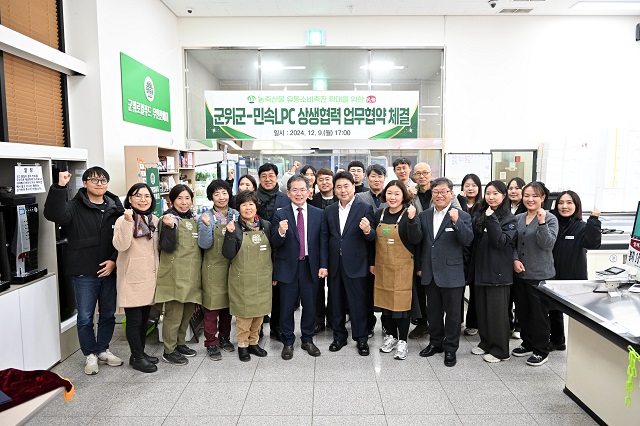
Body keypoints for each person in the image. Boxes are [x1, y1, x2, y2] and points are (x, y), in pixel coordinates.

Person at [44, 167, 125, 375]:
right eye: (94, 180)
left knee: (108, 313)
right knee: (86, 317)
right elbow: (54, 214)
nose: (100, 183)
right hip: (84, 271)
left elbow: (122, 239)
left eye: (103, 180)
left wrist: (114, 261)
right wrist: (59, 187)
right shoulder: (73, 206)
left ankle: (103, 349)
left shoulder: (115, 206)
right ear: (85, 183)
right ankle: (90, 354)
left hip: (109, 270)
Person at [416, 177, 473, 367]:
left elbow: (467, 241)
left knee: (453, 314)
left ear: (451, 194)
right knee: (433, 312)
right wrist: (419, 267)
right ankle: (435, 343)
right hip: (430, 272)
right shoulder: (424, 215)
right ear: (432, 194)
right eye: (436, 192)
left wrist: (457, 222)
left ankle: (450, 348)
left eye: (444, 192)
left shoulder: (462, 215)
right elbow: (421, 244)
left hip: (452, 273)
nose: (439, 195)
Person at [320, 171, 376, 356]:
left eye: (346, 186)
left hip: (357, 264)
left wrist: (368, 231)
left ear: (354, 187)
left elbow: (372, 238)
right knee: (335, 303)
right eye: (339, 187)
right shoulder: (329, 210)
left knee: (358, 304)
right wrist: (324, 264)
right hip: (335, 265)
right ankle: (339, 337)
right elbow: (325, 239)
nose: (343, 190)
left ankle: (361, 339)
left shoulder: (365, 207)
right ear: (334, 190)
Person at [270, 175, 323, 360]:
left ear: (309, 192)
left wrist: (323, 265)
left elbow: (322, 242)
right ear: (288, 192)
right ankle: (288, 341)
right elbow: (274, 243)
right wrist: (280, 232)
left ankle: (307, 339)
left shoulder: (318, 213)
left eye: (302, 189)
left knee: (310, 306)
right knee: (286, 307)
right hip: (287, 267)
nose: (299, 193)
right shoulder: (280, 213)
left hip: (310, 266)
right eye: (295, 190)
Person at [408, 162, 461, 340]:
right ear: (413, 176)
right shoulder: (411, 194)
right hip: (422, 249)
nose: (421, 176)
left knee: (448, 304)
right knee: (427, 297)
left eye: (425, 173)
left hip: (445, 253)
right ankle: (426, 328)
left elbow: (459, 219)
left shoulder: (443, 192)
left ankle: (449, 341)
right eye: (418, 173)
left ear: (431, 174)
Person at [371, 181, 422, 360]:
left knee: (401, 308)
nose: (393, 197)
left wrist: (412, 219)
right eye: (390, 193)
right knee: (386, 306)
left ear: (404, 196)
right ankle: (391, 337)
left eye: (397, 194)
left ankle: (402, 341)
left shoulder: (409, 213)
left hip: (402, 268)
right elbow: (373, 242)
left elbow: (417, 240)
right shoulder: (380, 214)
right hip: (383, 266)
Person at [113, 183, 160, 373]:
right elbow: (121, 245)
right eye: (138, 195)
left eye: (147, 196)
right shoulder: (123, 219)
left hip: (149, 276)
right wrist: (127, 221)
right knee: (133, 320)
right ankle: (138, 357)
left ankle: (138, 354)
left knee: (144, 318)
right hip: (132, 277)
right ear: (130, 199)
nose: (143, 199)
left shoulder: (154, 220)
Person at [468, 181, 517, 363]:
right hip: (481, 271)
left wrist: (492, 219)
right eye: (488, 193)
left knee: (497, 314)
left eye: (495, 193)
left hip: (498, 274)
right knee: (483, 311)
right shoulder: (482, 214)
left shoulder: (509, 219)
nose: (491, 197)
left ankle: (500, 350)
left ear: (504, 196)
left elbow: (500, 242)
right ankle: (486, 342)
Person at [512, 181, 558, 366]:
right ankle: (528, 343)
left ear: (543, 198)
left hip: (540, 274)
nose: (530, 199)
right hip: (520, 274)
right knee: (523, 312)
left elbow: (547, 244)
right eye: (527, 196)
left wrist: (541, 222)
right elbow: (512, 243)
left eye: (535, 196)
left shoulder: (550, 218)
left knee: (539, 315)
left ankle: (541, 350)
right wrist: (514, 260)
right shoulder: (519, 218)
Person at [222, 190, 272, 362]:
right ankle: (242, 345)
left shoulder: (265, 225)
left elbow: (274, 249)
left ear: (256, 206)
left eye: (251, 204)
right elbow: (228, 254)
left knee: (259, 313)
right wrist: (229, 235)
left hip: (263, 277)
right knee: (244, 315)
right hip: (242, 278)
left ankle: (253, 343)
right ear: (238, 208)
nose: (248, 207)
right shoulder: (233, 227)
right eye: (244, 204)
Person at [549, 190, 601, 351]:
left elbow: (593, 244)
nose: (564, 206)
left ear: (576, 205)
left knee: (576, 314)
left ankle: (581, 347)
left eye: (569, 202)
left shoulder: (582, 226)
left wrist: (594, 220)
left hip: (574, 277)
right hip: (553, 275)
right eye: (561, 203)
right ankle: (558, 341)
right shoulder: (552, 223)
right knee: (553, 310)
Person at [156, 184, 202, 366]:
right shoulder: (167, 219)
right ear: (172, 201)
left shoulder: (196, 218)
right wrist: (168, 228)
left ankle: (181, 343)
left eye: (187, 198)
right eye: (179, 199)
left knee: (188, 311)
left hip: (193, 272)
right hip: (175, 273)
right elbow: (166, 247)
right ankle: (169, 349)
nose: (184, 203)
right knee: (174, 314)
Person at [197, 180, 239, 361]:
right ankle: (211, 342)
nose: (221, 197)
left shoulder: (236, 214)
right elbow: (204, 244)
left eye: (224, 193)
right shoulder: (206, 217)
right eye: (216, 194)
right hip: (213, 268)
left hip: (233, 266)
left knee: (228, 307)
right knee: (212, 307)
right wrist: (206, 227)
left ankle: (224, 337)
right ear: (211, 197)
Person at [256, 163, 289, 342]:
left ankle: (277, 327)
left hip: (279, 250)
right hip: (256, 250)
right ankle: (257, 325)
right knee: (259, 289)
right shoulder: (252, 198)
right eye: (264, 176)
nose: (268, 179)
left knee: (279, 292)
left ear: (277, 177)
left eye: (271, 176)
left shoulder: (285, 198)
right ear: (259, 179)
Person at [356, 164, 388, 337]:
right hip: (366, 248)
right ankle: (369, 322)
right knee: (367, 289)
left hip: (387, 249)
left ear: (385, 178)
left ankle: (386, 322)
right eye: (373, 176)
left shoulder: (391, 195)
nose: (376, 179)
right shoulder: (360, 196)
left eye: (380, 176)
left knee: (385, 287)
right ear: (367, 179)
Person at [309, 168, 338, 333]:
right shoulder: (311, 200)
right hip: (316, 250)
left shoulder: (340, 199)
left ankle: (334, 319)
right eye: (321, 180)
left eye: (327, 179)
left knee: (334, 287)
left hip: (335, 250)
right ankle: (318, 319)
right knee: (317, 287)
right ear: (316, 182)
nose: (324, 182)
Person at [458, 173, 482, 337]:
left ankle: (473, 322)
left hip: (477, 252)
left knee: (475, 289)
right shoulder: (457, 203)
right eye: (467, 185)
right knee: (457, 288)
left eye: (474, 185)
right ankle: (457, 319)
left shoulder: (483, 206)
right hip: (459, 252)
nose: (470, 188)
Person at [506, 177, 527, 339]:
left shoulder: (527, 210)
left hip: (522, 256)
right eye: (511, 188)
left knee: (520, 295)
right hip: (506, 256)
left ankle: (520, 325)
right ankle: (508, 324)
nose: (513, 191)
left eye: (517, 188)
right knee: (508, 295)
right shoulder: (504, 207)